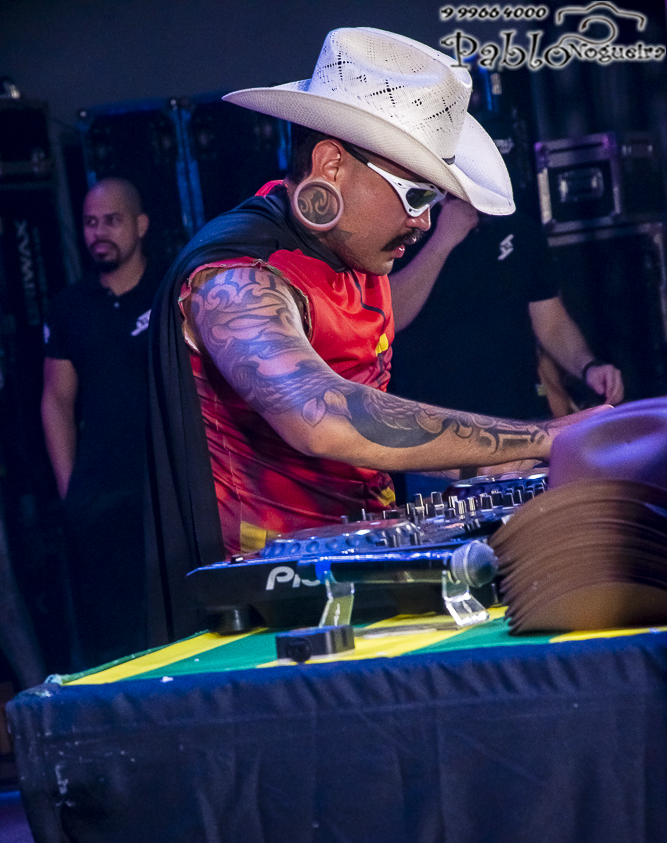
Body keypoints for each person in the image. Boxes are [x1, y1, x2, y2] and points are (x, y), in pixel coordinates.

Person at [146, 27, 607, 646]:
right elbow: (321, 417)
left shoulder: (358, 255)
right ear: (331, 166)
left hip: (352, 575)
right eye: (415, 195)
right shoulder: (237, 276)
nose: (423, 220)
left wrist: (494, 463)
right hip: (267, 614)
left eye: (432, 200)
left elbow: (367, 432)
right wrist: (543, 436)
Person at [41, 178, 161, 668]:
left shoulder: (170, 288)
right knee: (111, 638)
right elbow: (55, 400)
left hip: (163, 488)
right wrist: (72, 494)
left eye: (112, 221)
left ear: (140, 225)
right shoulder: (70, 307)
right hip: (102, 497)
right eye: (90, 223)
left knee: (173, 621)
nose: (99, 232)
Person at [389, 195, 624, 421]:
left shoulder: (519, 228)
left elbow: (552, 324)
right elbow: (390, 316)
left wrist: (588, 366)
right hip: (433, 421)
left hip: (519, 416)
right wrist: (443, 239)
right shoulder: (409, 226)